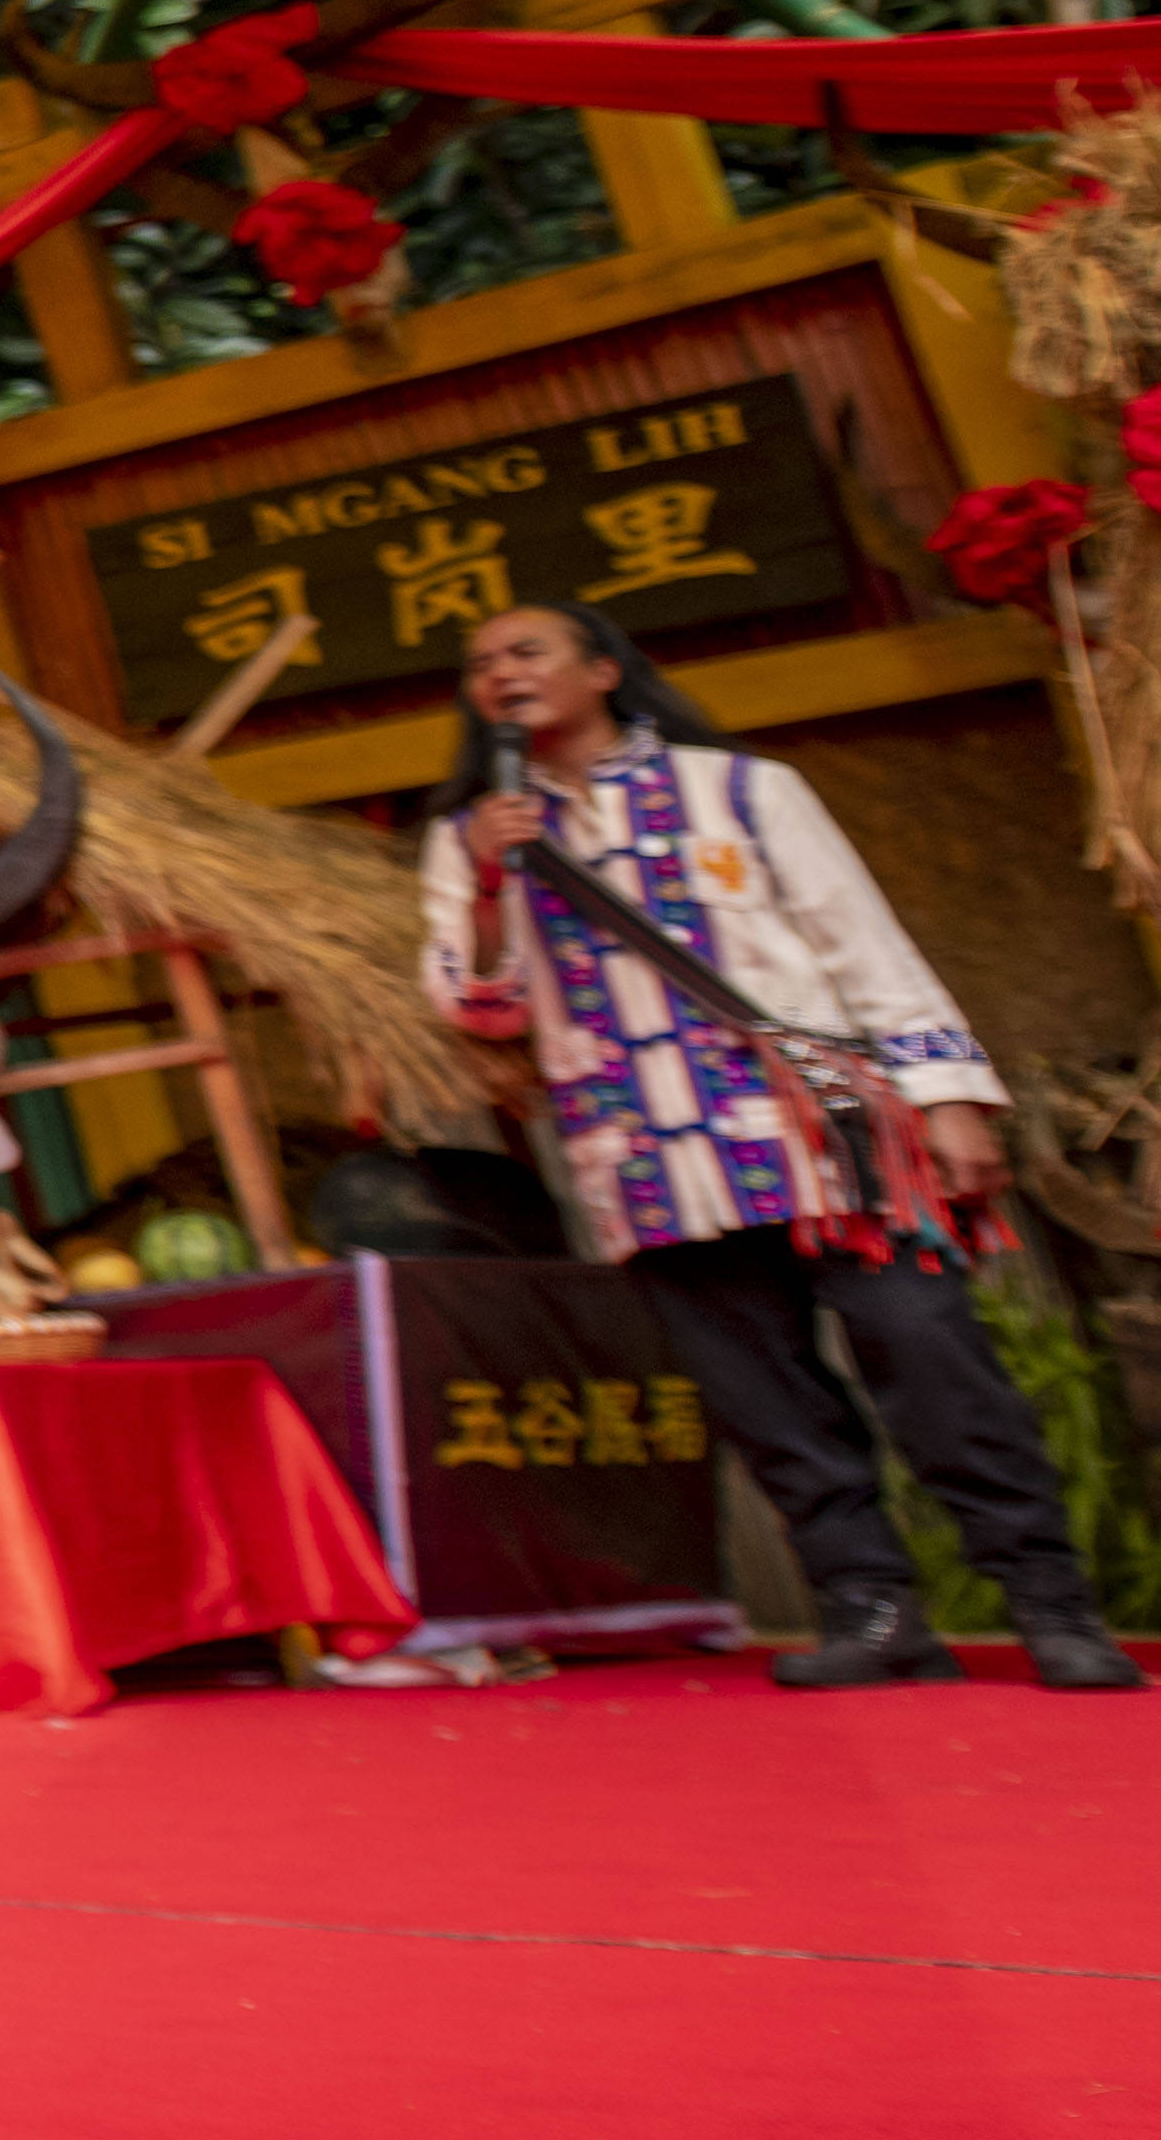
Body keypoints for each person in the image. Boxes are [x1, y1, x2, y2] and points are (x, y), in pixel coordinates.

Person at [422, 598, 1137, 1693]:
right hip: (649, 1162)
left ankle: (1048, 1604)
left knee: (935, 1365)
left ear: (604, 666)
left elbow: (864, 944)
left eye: (527, 652)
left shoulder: (744, 790)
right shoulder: (468, 836)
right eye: (479, 665)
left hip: (829, 1138)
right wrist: (480, 877)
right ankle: (871, 1610)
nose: (500, 676)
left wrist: (946, 1096)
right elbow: (480, 1012)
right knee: (765, 1402)